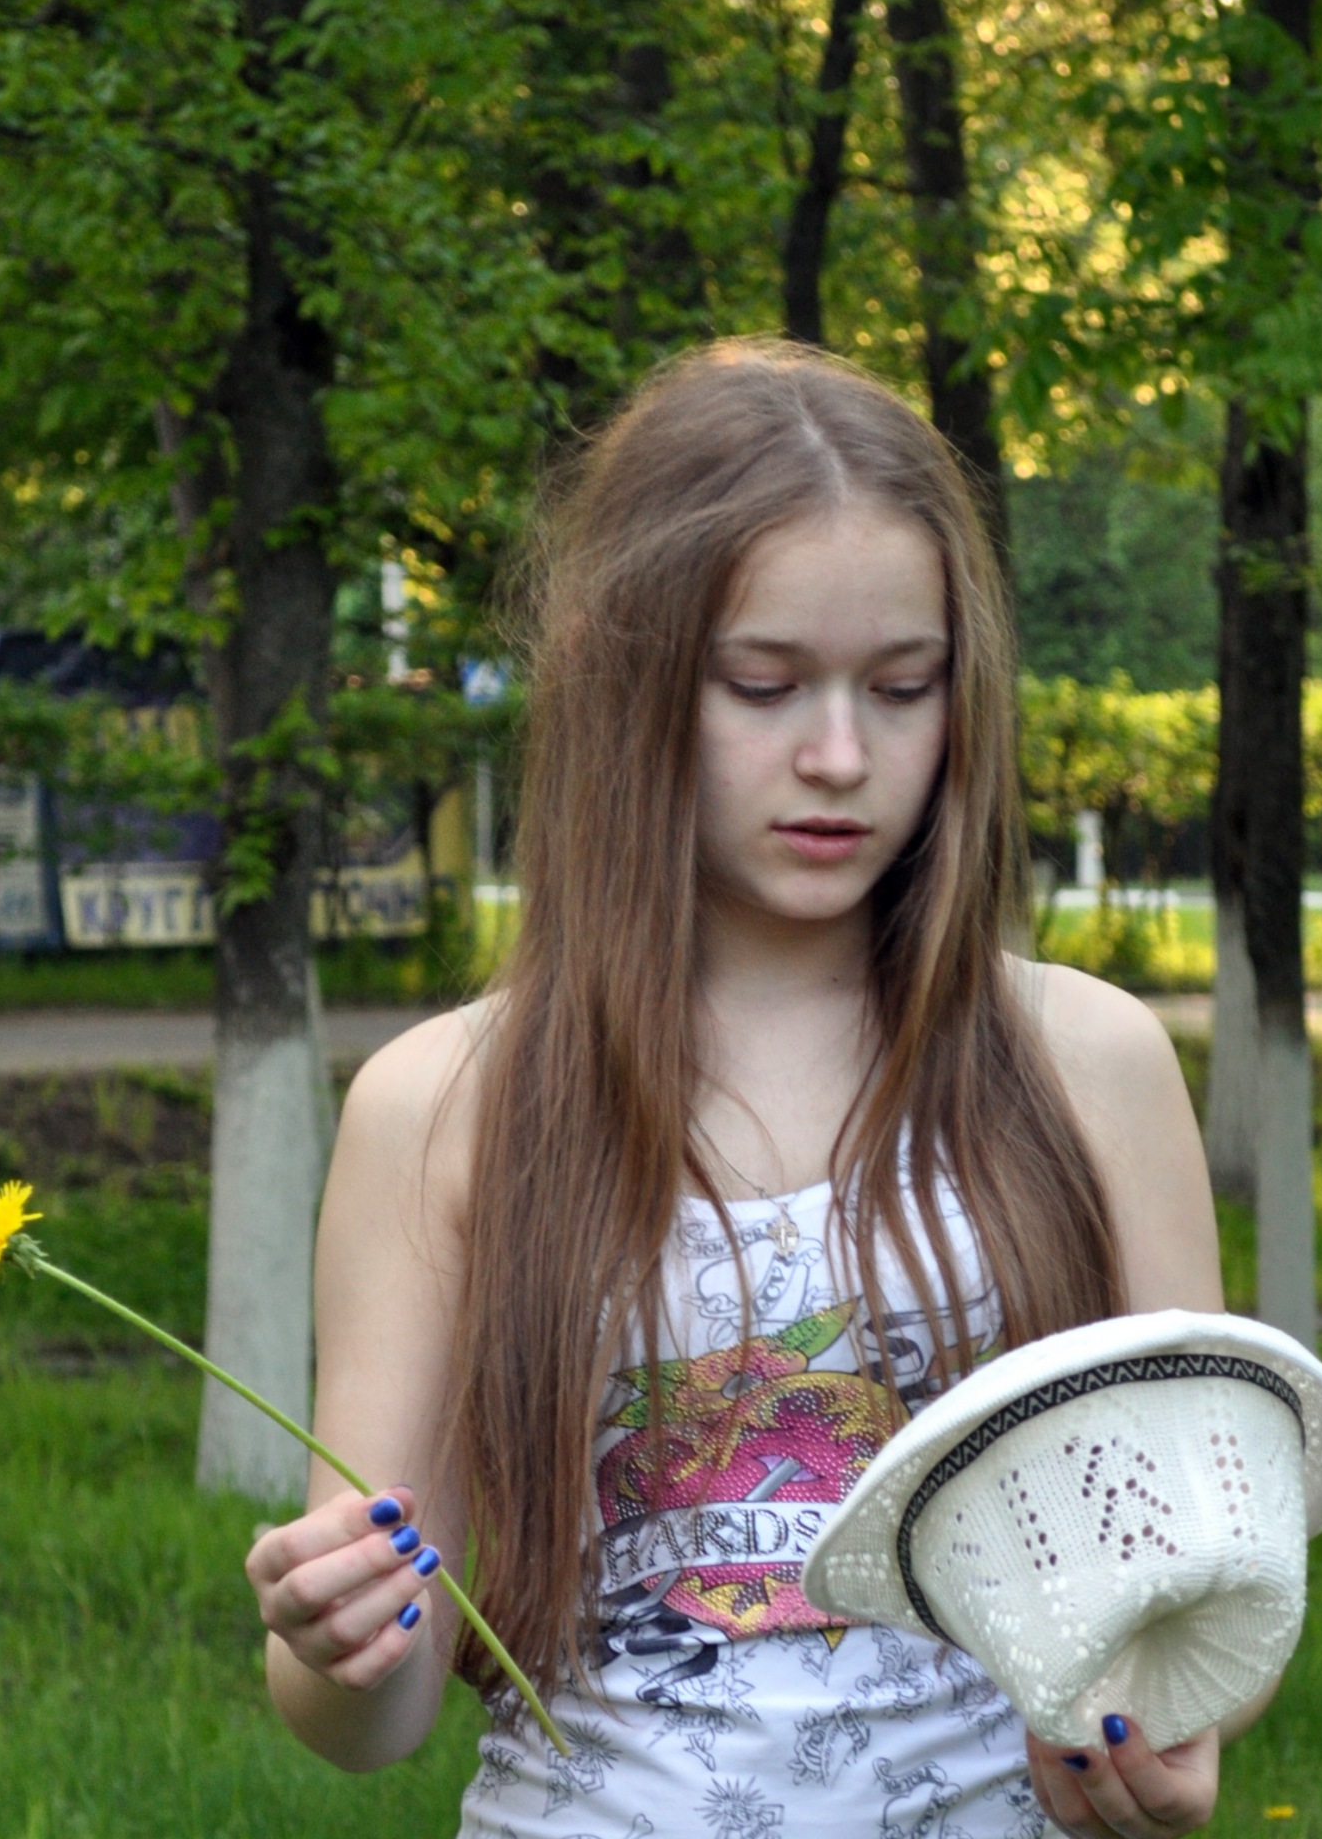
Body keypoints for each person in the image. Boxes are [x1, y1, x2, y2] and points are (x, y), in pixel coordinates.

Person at [245, 340, 1246, 1839]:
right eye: (763, 686)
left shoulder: (1086, 1064)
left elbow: (1202, 1594)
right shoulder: (443, 1104)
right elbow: (370, 1716)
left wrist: (1154, 1743)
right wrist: (338, 1638)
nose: (839, 756)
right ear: (629, 684)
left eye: (901, 688)